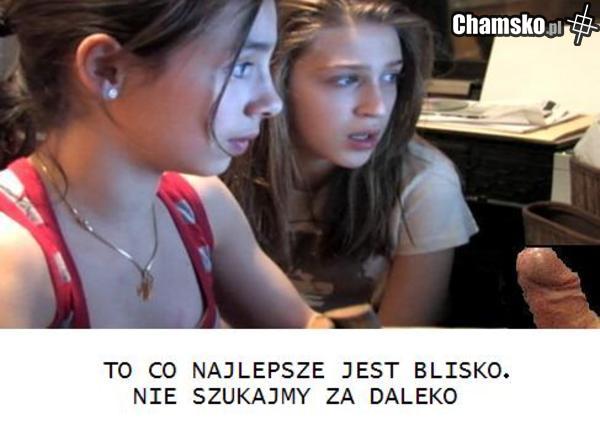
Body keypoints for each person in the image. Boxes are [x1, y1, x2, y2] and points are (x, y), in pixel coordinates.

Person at [0, 0, 321, 328]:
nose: (271, 103)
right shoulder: (15, 260)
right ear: (105, 69)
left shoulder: (199, 205)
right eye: (242, 66)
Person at [225, 0, 479, 326]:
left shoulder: (425, 182)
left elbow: (401, 350)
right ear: (276, 79)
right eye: (346, 80)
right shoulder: (215, 163)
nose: (377, 107)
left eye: (391, 76)